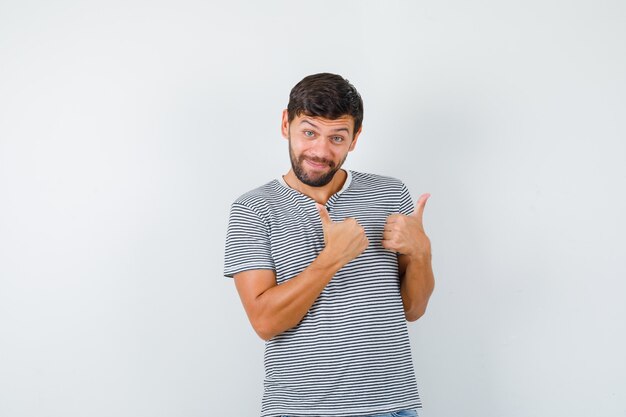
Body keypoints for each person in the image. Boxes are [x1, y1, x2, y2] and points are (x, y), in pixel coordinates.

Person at [224, 73, 435, 417]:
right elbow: (265, 322)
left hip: (391, 406)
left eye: (337, 137)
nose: (320, 151)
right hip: (300, 410)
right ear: (285, 124)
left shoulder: (390, 194)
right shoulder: (253, 208)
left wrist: (422, 252)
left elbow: (412, 309)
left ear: (354, 138)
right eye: (309, 132)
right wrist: (332, 259)